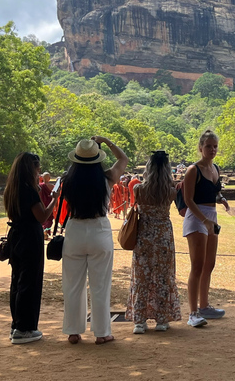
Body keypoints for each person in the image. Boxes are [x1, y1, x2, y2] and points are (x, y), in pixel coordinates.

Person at [61, 136, 128, 345]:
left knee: (73, 285)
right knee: (100, 286)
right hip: (99, 230)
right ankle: (101, 332)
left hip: (75, 231)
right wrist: (106, 141)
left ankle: (73, 331)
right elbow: (123, 159)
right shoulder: (107, 178)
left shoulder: (68, 179)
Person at [4, 152, 60, 344]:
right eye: (37, 167)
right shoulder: (28, 190)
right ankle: (24, 328)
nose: (39, 171)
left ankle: (16, 325)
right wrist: (54, 198)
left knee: (17, 282)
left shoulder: (12, 188)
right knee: (29, 282)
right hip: (29, 237)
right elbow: (42, 216)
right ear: (31, 168)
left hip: (16, 237)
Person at [126, 151, 182, 334]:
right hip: (164, 235)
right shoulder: (171, 192)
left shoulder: (138, 190)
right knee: (163, 277)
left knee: (142, 276)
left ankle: (140, 321)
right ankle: (161, 319)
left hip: (144, 235)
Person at [182, 129, 230, 327]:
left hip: (211, 217)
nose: (212, 149)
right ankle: (192, 313)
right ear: (200, 148)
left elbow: (213, 192)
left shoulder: (215, 168)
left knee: (209, 264)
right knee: (197, 266)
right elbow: (188, 199)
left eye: (215, 146)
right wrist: (204, 220)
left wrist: (221, 199)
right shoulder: (194, 170)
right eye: (208, 146)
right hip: (196, 218)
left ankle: (204, 306)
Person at [39, 172, 54, 239]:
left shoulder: (39, 186)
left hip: (42, 204)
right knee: (49, 219)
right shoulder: (52, 186)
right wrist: (55, 206)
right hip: (50, 204)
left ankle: (43, 230)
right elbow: (55, 197)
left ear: (42, 178)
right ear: (49, 178)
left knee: (42, 217)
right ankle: (46, 231)